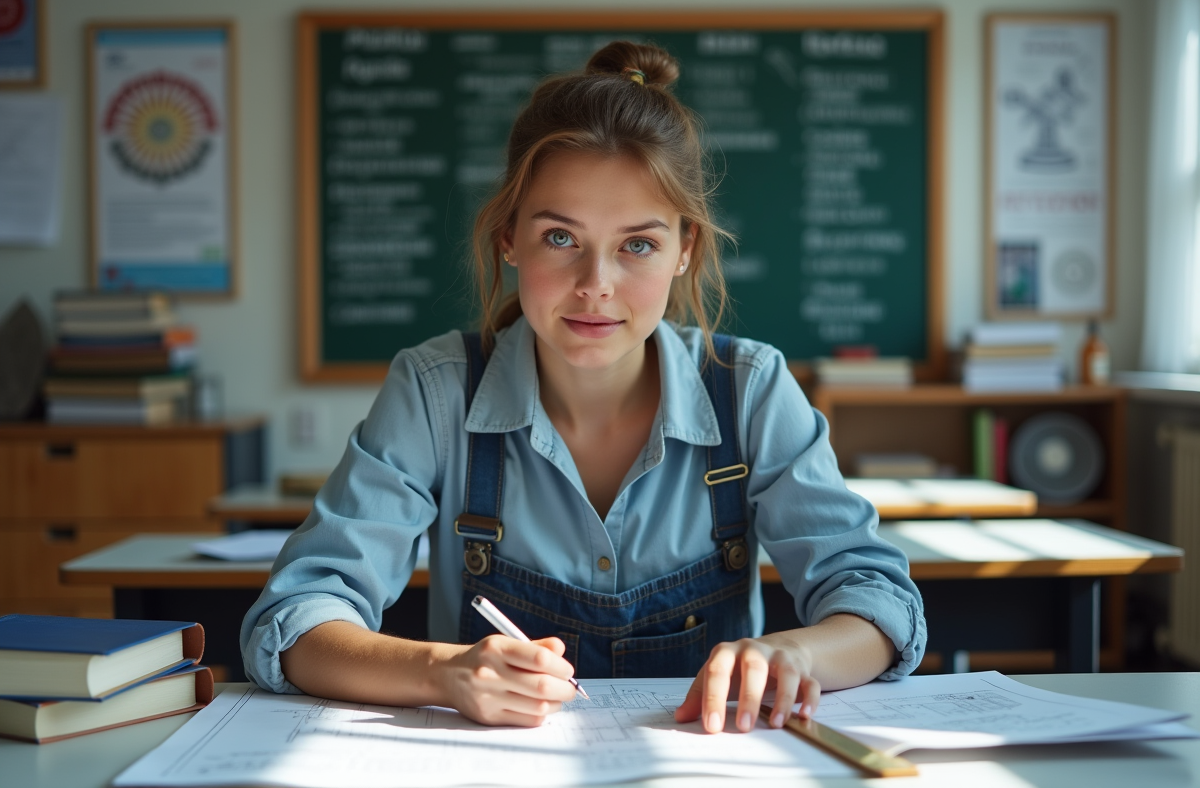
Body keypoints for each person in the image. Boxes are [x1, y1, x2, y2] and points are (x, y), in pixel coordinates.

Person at [241, 40, 926, 734]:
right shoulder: (433, 391)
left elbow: (878, 604)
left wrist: (793, 652)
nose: (596, 284)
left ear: (685, 247)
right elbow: (296, 621)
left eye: (638, 244)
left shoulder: (749, 389)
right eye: (561, 238)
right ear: (509, 238)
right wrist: (440, 672)